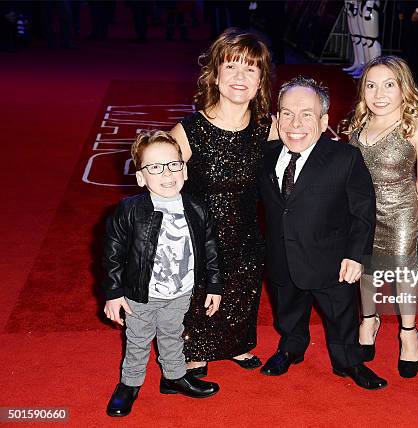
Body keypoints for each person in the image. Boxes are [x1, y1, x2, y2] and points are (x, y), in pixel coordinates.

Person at [258, 76, 387, 390]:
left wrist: (356, 256)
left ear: (324, 121)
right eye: (287, 113)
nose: (296, 123)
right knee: (287, 309)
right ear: (276, 118)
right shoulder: (265, 156)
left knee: (341, 315)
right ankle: (291, 347)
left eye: (307, 115)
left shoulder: (344, 158)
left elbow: (363, 211)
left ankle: (349, 362)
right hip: (281, 257)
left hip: (331, 262)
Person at [170, 28, 276, 377]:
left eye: (251, 69)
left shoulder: (268, 128)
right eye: (232, 67)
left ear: (261, 82)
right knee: (200, 290)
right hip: (200, 231)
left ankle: (237, 343)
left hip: (247, 229)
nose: (241, 77)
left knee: (244, 283)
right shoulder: (188, 131)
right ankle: (194, 346)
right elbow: (163, 191)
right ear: (215, 75)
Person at [102, 131, 223, 417]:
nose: (166, 174)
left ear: (184, 169)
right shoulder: (129, 210)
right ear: (141, 177)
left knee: (173, 334)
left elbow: (211, 248)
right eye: (155, 167)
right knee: (138, 340)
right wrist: (113, 292)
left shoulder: (197, 207)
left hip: (181, 291)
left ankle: (173, 377)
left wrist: (215, 285)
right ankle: (129, 384)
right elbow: (112, 254)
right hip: (141, 294)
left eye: (173, 165)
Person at [347, 55, 418, 378]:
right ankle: (368, 320)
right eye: (371, 85)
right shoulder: (357, 126)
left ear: (404, 89)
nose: (379, 93)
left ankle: (409, 333)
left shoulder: (417, 127)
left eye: (389, 85)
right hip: (363, 214)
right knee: (366, 269)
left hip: (401, 212)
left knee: (402, 271)